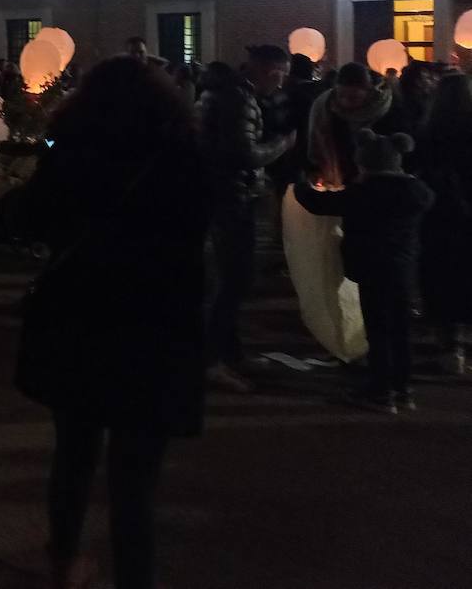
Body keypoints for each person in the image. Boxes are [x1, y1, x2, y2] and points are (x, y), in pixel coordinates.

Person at [16, 57, 209, 589]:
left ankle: (63, 560)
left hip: (79, 316)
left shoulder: (71, 145)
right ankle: (134, 578)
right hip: (154, 324)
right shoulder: (182, 152)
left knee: (74, 453)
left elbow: (34, 216)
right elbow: (198, 235)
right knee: (135, 479)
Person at [297, 130, 433, 412]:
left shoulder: (362, 193)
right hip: (403, 270)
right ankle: (403, 387)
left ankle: (380, 391)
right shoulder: (416, 192)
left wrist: (300, 184)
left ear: (364, 165)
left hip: (371, 268)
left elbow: (318, 203)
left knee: (378, 329)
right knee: (400, 329)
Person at [196, 46, 294, 392]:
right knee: (228, 281)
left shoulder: (226, 93)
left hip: (223, 195)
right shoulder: (239, 98)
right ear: (264, 69)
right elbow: (245, 153)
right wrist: (282, 144)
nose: (280, 82)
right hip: (231, 197)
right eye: (278, 74)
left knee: (228, 281)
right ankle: (213, 359)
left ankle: (227, 352)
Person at [418, 74, 472, 376]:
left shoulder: (429, 131)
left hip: (438, 216)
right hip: (467, 215)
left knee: (441, 280)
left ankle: (450, 347)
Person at [308, 62, 404, 190]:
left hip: (379, 184)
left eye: (353, 98)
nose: (345, 102)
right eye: (341, 95)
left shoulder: (386, 108)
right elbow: (316, 139)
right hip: (337, 178)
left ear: (369, 91)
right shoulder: (326, 105)